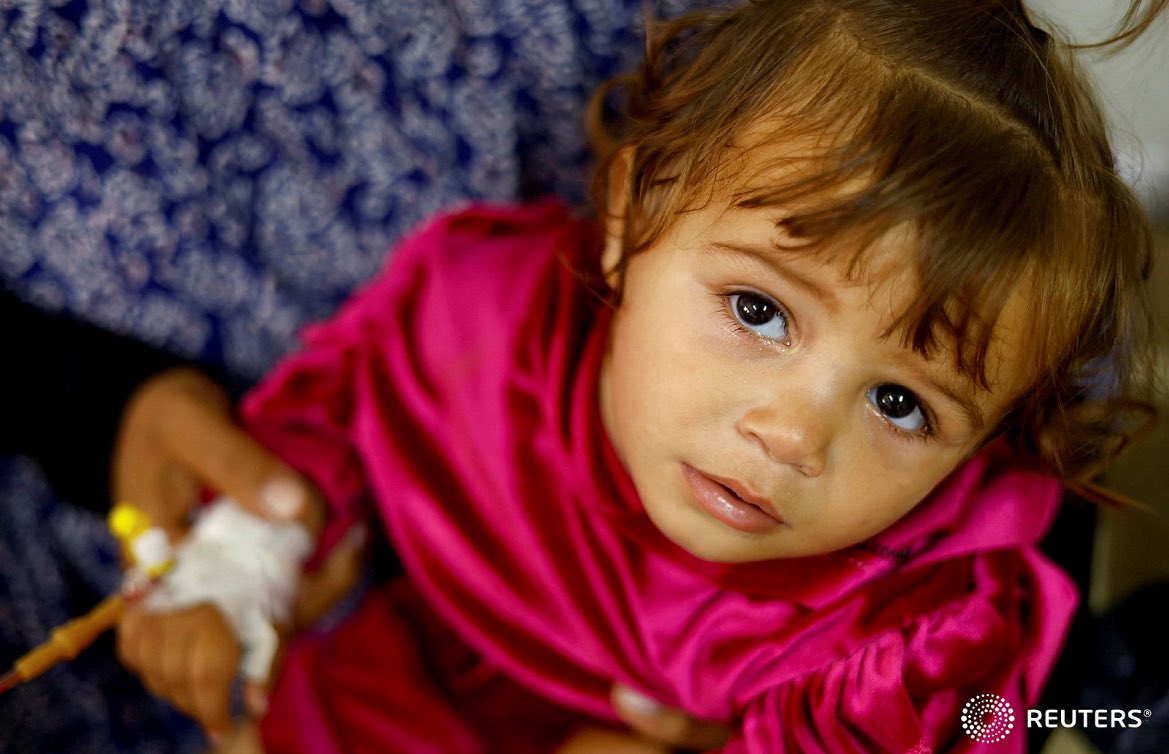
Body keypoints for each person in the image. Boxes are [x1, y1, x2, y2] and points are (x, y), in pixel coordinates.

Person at [115, 0, 1165, 751]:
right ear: (626, 219)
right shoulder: (484, 325)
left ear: (979, 448)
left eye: (900, 403)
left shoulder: (905, 630)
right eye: (757, 311)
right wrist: (240, 564)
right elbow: (336, 420)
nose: (793, 433)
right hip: (403, 695)